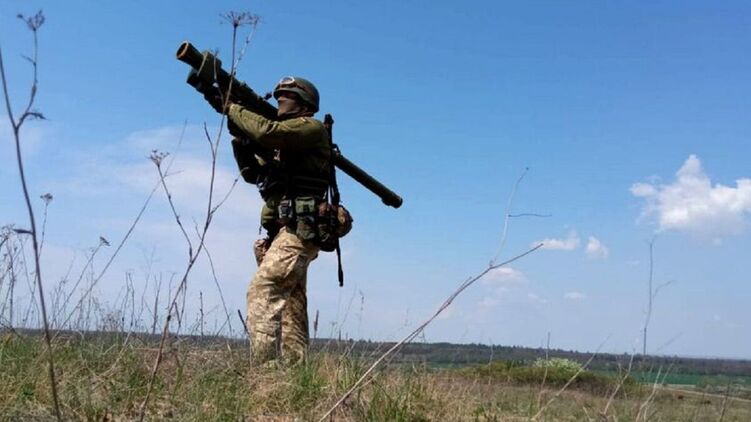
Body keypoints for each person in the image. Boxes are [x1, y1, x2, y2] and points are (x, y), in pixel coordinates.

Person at [207, 76, 330, 365]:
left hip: (300, 229)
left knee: (264, 291)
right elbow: (254, 174)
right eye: (277, 97)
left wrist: (233, 109)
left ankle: (266, 372)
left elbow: (268, 132)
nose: (280, 101)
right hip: (283, 230)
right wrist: (241, 143)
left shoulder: (310, 128)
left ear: (304, 103)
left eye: (286, 96)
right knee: (291, 304)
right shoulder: (287, 145)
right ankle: (295, 373)